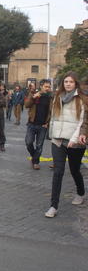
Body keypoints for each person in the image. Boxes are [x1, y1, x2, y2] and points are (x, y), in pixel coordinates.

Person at [45, 72, 87, 218]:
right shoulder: (57, 96)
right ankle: (53, 206)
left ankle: (80, 192)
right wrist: (51, 134)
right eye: (66, 82)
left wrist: (75, 138)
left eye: (71, 82)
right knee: (58, 172)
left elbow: (83, 121)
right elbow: (53, 117)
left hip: (74, 142)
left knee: (74, 170)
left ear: (76, 84)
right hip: (58, 140)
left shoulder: (81, 99)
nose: (68, 84)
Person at [24, 79, 52, 170]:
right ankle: (34, 157)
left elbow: (52, 112)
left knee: (39, 145)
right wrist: (33, 97)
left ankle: (36, 162)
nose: (48, 88)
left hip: (43, 125)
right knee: (28, 142)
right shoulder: (34, 94)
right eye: (46, 86)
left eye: (49, 87)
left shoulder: (50, 97)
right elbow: (27, 105)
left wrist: (48, 123)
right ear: (41, 86)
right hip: (32, 124)